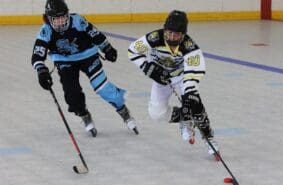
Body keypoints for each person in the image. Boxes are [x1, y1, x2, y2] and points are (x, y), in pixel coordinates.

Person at [31, 0, 138, 137]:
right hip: (65, 61)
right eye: (56, 19)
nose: (60, 22)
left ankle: (122, 110)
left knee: (102, 87)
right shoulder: (45, 31)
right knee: (71, 93)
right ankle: (84, 114)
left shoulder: (77, 20)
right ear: (48, 18)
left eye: (63, 17)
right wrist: (41, 71)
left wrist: (107, 48)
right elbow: (37, 55)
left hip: (88, 56)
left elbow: (95, 34)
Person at [128, 10, 219, 157]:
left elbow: (193, 73)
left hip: (182, 77)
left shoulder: (190, 47)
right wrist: (147, 67)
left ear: (183, 34)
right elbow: (133, 50)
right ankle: (184, 117)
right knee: (156, 114)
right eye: (169, 33)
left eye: (176, 34)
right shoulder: (154, 37)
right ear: (164, 29)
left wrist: (188, 97)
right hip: (161, 79)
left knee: (194, 103)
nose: (171, 37)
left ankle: (209, 136)